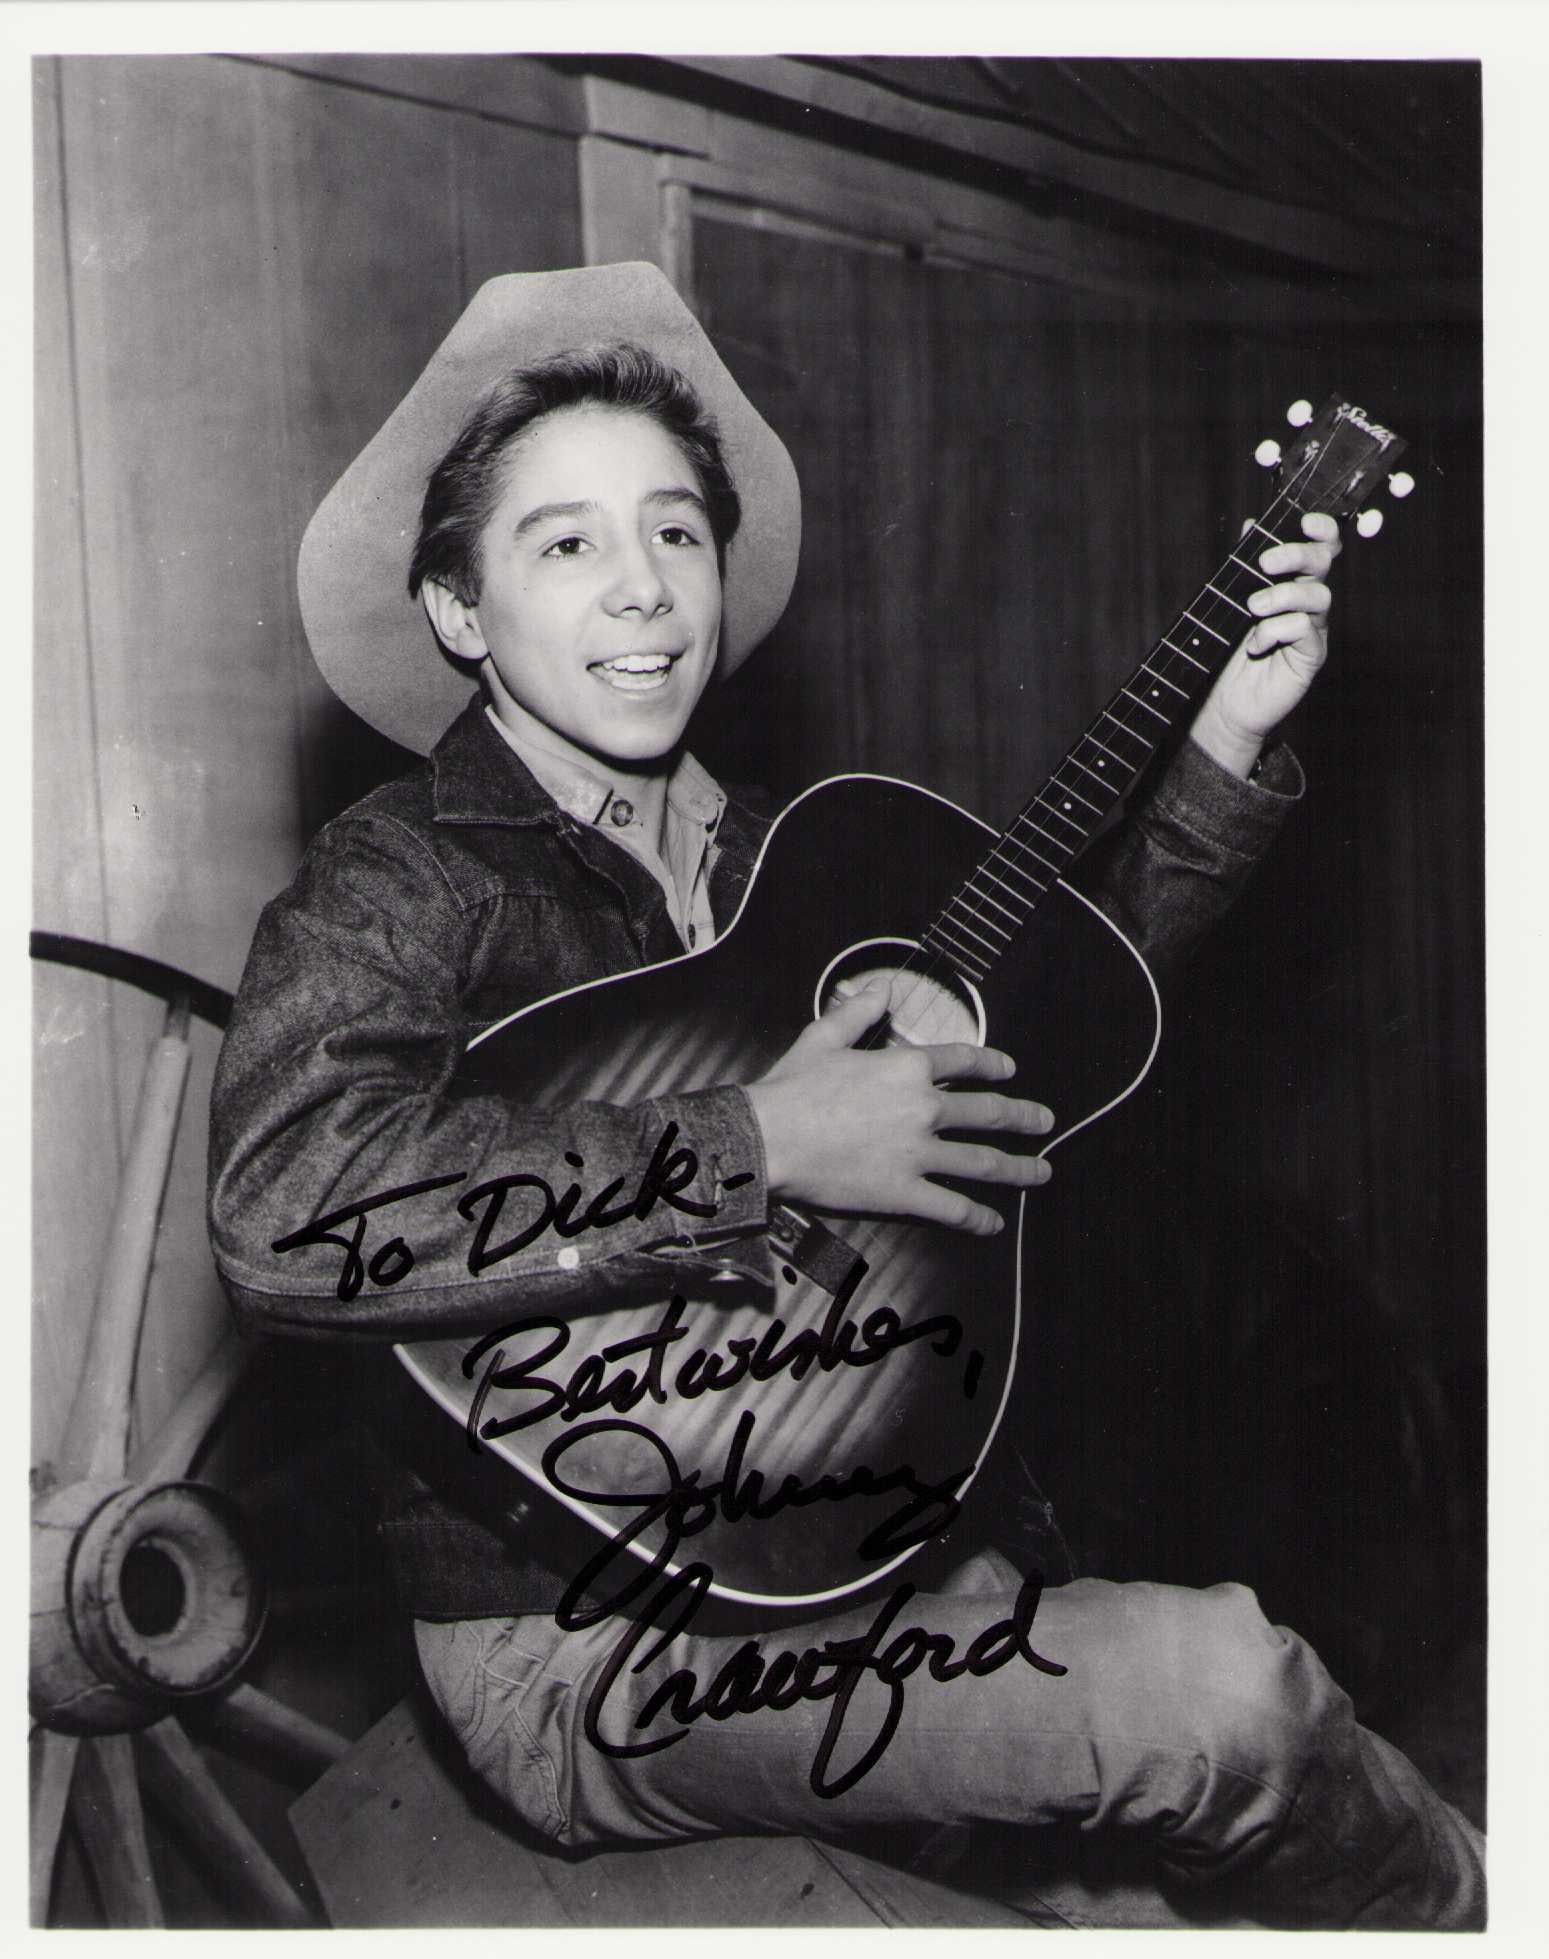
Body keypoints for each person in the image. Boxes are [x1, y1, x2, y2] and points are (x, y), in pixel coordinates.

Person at [208, 263, 1484, 1928]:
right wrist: (759, 1142)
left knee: (1158, 1839)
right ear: (459, 610)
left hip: (877, 1540)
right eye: (565, 543)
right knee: (1227, 1694)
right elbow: (284, 1207)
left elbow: (1055, 1026)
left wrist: (1222, 751)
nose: (643, 593)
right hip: (583, 1640)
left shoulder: (796, 856)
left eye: (674, 533)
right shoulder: (401, 879)